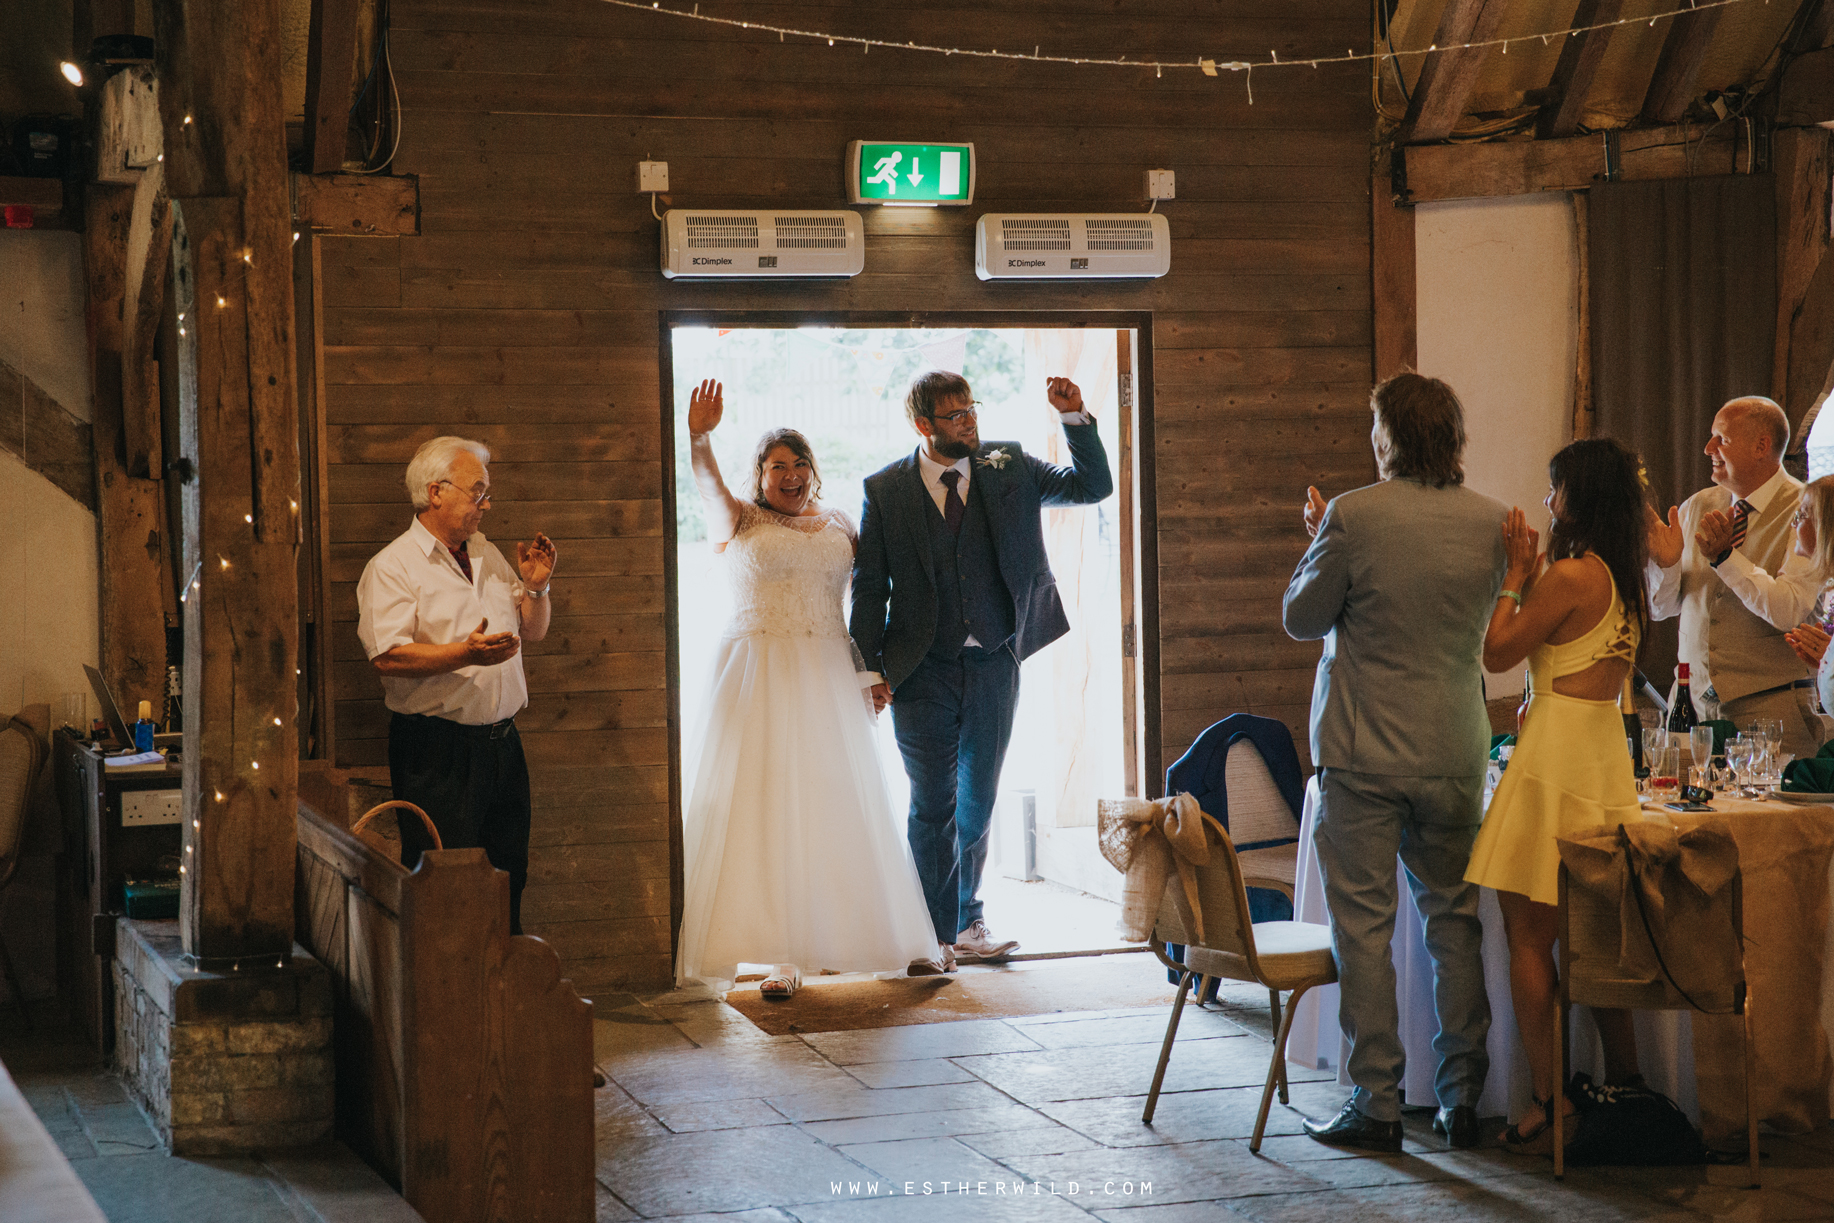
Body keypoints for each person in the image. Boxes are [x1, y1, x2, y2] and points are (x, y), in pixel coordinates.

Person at [1283, 372, 1503, 1154]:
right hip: (1453, 749)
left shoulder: (1352, 514)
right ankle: (1464, 1098)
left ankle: (1375, 1102)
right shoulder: (1492, 523)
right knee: (1455, 926)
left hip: (1363, 753)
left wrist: (1320, 539)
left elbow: (1301, 616)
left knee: (1364, 933)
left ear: (1388, 437)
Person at [674, 380, 941, 997]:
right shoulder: (737, 518)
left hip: (826, 674)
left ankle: (892, 942)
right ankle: (778, 955)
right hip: (757, 677)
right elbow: (708, 485)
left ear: (812, 471)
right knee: (765, 806)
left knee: (840, 802)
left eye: (798, 465)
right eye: (776, 468)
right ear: (760, 477)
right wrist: (700, 436)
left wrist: (872, 673)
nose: (789, 476)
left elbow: (871, 601)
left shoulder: (842, 522)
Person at [851, 371, 1113, 965]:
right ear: (923, 425)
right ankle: (933, 936)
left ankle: (969, 923)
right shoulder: (885, 489)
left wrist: (1073, 418)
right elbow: (869, 590)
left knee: (978, 798)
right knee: (932, 801)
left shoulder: (1009, 467)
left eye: (972, 409)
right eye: (955, 415)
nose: (970, 421)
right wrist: (868, 670)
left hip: (996, 661)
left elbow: (1092, 487)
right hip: (920, 669)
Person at [1466, 438, 1648, 1151]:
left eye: (1556, 489)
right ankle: (1626, 1083)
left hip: (1555, 761)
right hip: (1601, 753)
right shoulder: (1621, 577)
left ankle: (1549, 1100)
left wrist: (1515, 574)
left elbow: (1498, 649)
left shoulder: (1569, 575)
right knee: (1598, 935)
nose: (1548, 502)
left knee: (1529, 935)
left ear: (1581, 495)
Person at [356, 436, 556, 935]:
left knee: (510, 873)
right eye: (477, 492)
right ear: (436, 492)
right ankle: (448, 1003)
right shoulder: (393, 566)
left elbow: (532, 630)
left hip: (503, 745)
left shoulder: (486, 555)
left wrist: (535, 587)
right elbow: (387, 655)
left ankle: (500, 990)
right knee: (443, 882)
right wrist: (462, 655)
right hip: (437, 750)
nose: (486, 505)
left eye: (487, 493)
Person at [1648, 397, 1818, 757]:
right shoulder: (1697, 506)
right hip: (1690, 707)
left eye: (1720, 439)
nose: (1709, 448)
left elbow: (1790, 610)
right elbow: (1660, 609)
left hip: (1772, 711)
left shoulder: (1806, 511)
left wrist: (1726, 558)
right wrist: (1665, 565)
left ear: (1761, 446)